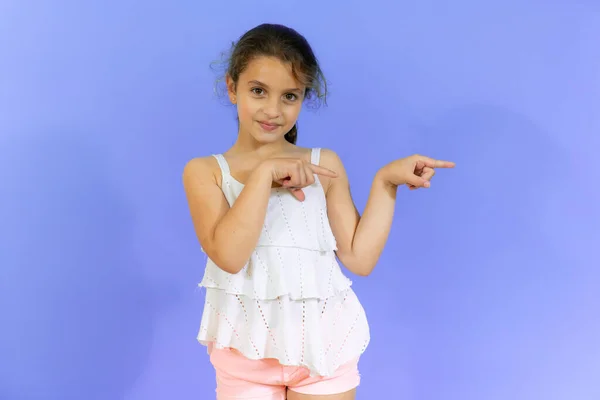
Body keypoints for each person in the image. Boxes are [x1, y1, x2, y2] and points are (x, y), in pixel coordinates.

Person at [183, 23, 455, 400]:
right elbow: (229, 256)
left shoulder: (323, 166)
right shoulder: (206, 172)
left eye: (290, 96)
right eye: (258, 91)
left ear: (303, 98)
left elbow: (359, 258)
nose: (273, 110)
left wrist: (385, 183)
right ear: (232, 88)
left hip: (323, 351)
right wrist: (263, 174)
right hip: (245, 356)